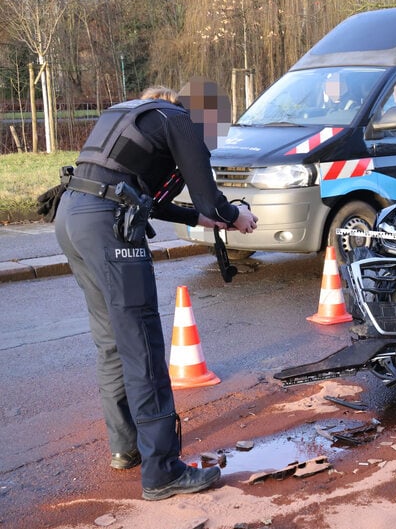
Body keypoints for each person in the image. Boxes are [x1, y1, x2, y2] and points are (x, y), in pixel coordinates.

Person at [54, 84, 258, 501]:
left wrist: (200, 219)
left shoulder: (136, 113)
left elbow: (152, 199)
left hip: (72, 216)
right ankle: (162, 470)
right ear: (207, 117)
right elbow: (213, 199)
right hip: (108, 225)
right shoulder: (182, 122)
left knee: (112, 340)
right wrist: (235, 216)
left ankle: (126, 447)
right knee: (142, 343)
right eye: (217, 127)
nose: (214, 137)